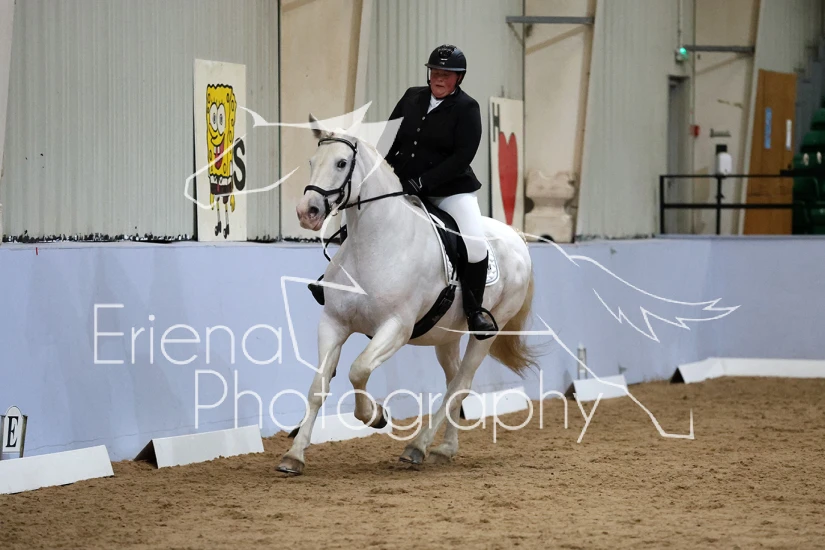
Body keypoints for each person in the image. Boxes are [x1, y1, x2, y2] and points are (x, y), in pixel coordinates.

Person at [310, 44, 498, 340]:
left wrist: (423, 182)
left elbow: (462, 157)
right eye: (435, 72)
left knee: (474, 244)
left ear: (458, 78)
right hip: (402, 183)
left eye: (446, 74)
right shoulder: (412, 97)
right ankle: (336, 279)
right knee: (358, 215)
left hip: (449, 190)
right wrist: (381, 176)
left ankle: (475, 310)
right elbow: (388, 139)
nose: (439, 78)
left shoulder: (467, 108)